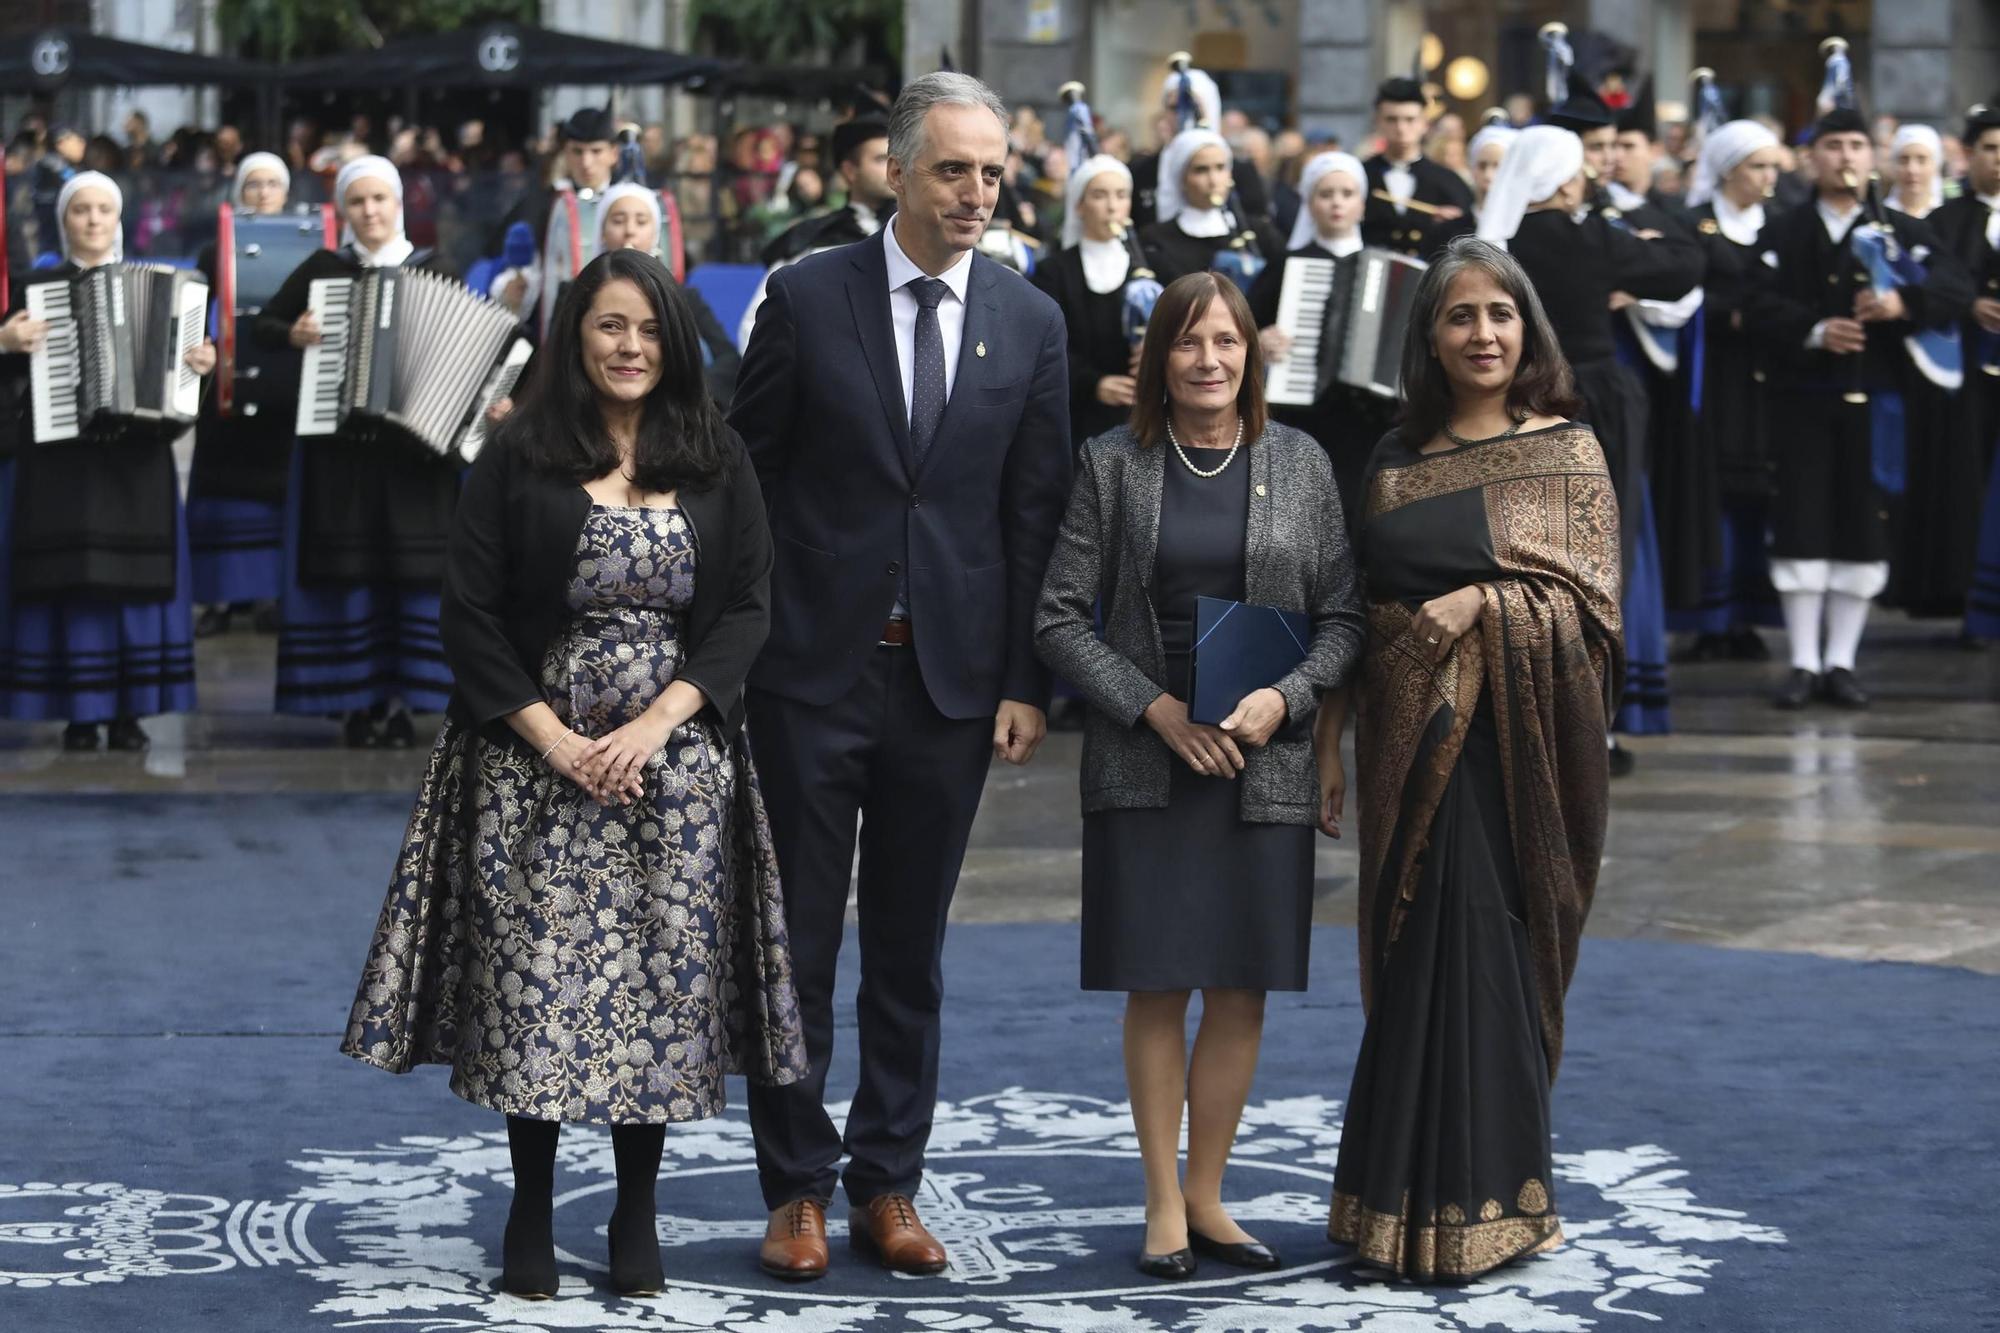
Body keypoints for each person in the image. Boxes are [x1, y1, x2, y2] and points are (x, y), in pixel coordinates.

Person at [339, 247, 806, 1301]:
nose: (628, 346)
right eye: (607, 326)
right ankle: (531, 1204)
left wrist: (656, 728)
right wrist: (554, 740)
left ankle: (635, 1204)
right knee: (534, 986)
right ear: (573, 336)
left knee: (654, 984)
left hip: (672, 762)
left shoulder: (716, 452)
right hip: (528, 756)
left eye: (646, 328)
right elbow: (468, 611)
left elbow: (744, 610)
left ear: (673, 340)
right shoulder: (519, 453)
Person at [728, 71, 1072, 1282]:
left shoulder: (1030, 321)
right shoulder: (807, 296)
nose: (976, 191)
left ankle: (887, 1184)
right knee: (797, 945)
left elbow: (1035, 514)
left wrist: (1027, 679)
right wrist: (739, 651)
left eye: (991, 171)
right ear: (894, 169)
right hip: (806, 677)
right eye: (952, 169)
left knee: (910, 951)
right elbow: (746, 477)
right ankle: (794, 1193)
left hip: (952, 682)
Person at [1035, 271, 1363, 1280]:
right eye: (1187, 342)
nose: (1209, 359)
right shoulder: (1108, 464)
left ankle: (1211, 1192)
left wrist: (1288, 701)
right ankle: (1162, 1202)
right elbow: (1054, 616)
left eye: (1225, 340)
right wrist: (1156, 709)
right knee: (1155, 982)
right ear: (1155, 358)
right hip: (1148, 753)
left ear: (1252, 351)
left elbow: (1346, 619)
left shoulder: (1301, 462)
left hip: (1261, 758)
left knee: (1239, 989)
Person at [1315, 235, 1622, 1283]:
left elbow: (1592, 618)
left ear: (1525, 327)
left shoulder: (1567, 450)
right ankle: (1389, 1203)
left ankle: (1497, 1202)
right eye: (1459, 316)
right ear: (1428, 337)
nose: (1482, 333)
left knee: (1484, 953)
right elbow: (1352, 612)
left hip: (1518, 755)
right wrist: (1324, 743)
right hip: (1404, 744)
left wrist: (1480, 604)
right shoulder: (1393, 462)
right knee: (1412, 962)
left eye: (1499, 313)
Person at [1479, 125, 1700, 762]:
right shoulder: (1595, 234)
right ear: (1570, 178)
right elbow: (1685, 266)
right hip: (1594, 406)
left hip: (1518, 404)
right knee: (1602, 554)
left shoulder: (1497, 248)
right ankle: (1593, 723)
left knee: (1525, 555)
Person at [1744, 97, 1972, 709]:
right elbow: (1755, 300)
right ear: (1811, 157)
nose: (1844, 158)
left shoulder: (1898, 230)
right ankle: (1802, 662)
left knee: (1862, 525)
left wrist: (1905, 304)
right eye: (1832, 146)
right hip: (1801, 402)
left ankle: (1841, 662)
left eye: (1855, 147)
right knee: (1801, 523)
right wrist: (1813, 330)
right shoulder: (1786, 229)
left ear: (1873, 158)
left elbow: (1954, 287)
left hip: (1877, 404)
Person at [0, 171, 215, 751]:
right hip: (60, 461)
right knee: (73, 586)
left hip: (137, 459)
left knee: (136, 586)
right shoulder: (32, 288)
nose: (93, 220)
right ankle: (80, 713)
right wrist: (6, 344)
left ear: (118, 219)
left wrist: (199, 363)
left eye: (103, 210)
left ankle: (131, 714)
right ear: (64, 221)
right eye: (81, 211)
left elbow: (179, 385)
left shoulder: (169, 290)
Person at [255, 155, 460, 747]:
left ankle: (404, 702)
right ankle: (353, 702)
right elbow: (266, 325)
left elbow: (471, 350)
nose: (370, 212)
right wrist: (294, 333)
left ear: (399, 205)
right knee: (349, 576)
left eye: (380, 200)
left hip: (414, 456)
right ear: (344, 210)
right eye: (358, 202)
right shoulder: (324, 267)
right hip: (340, 451)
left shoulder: (434, 267)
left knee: (411, 576)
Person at [1675, 121, 1787, 660]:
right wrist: (1734, 317)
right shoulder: (1695, 226)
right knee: (1714, 489)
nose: (1768, 178)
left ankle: (1750, 613)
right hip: (1713, 378)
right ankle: (1709, 616)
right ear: (1727, 170)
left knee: (1759, 494)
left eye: (1772, 167)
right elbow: (1686, 295)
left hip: (1768, 378)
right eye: (1757, 167)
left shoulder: (1782, 226)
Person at [1247, 151, 1392, 526]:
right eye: (1326, 193)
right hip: (1303, 416)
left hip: (1368, 420)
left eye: (1347, 193)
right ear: (1309, 203)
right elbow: (1241, 324)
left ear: (1362, 204)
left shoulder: (1384, 266)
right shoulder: (1287, 263)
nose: (1337, 202)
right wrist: (1259, 340)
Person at [187, 152, 298, 638]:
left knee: (277, 492)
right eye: (254, 183)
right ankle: (218, 599)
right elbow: (194, 312)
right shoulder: (215, 251)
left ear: (286, 192)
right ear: (239, 191)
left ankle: (273, 595)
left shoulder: (304, 248)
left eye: (273, 183)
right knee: (220, 494)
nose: (263, 192)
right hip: (229, 386)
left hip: (282, 388)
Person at [1881, 123, 1982, 620]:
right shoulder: (1884, 221)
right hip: (1899, 368)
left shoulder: (1945, 221)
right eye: (1905, 160)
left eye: (1923, 160)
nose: (1913, 170)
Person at [734, 119, 895, 351]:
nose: (893, 167)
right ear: (850, 171)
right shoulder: (816, 241)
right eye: (880, 159)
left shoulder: (920, 241)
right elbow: (755, 329)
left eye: (896, 158)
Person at [1934, 105, 2000, 641]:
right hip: (1967, 375)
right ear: (1970, 155)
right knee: (1969, 481)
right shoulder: (1947, 221)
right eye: (1991, 150)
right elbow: (1931, 283)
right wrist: (1968, 306)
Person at [593, 181, 741, 408]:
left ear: (655, 234)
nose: (629, 231)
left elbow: (728, 359)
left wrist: (689, 395)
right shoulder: (580, 294)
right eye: (618, 221)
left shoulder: (683, 298)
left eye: (641, 221)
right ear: (601, 231)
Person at [1034, 153, 1142, 449]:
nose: (1111, 206)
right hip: (1076, 417)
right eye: (1099, 195)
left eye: (1121, 195)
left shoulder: (1146, 268)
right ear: (1079, 205)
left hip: (1138, 416)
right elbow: (1045, 344)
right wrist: (1093, 383)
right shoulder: (1054, 271)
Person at [1136, 126, 1284, 285]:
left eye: (1220, 168)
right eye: (1201, 170)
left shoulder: (1259, 231)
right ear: (1182, 179)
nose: (1213, 180)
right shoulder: (1156, 239)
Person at [1360, 78, 1472, 258]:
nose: (1401, 128)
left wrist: (1453, 222)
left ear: (1425, 124)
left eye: (1410, 119)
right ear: (1377, 121)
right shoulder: (1358, 177)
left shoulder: (1449, 182)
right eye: (1391, 119)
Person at [1467, 113, 1516, 212]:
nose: (1488, 175)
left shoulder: (1527, 224)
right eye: (1482, 166)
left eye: (1497, 166)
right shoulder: (1457, 225)